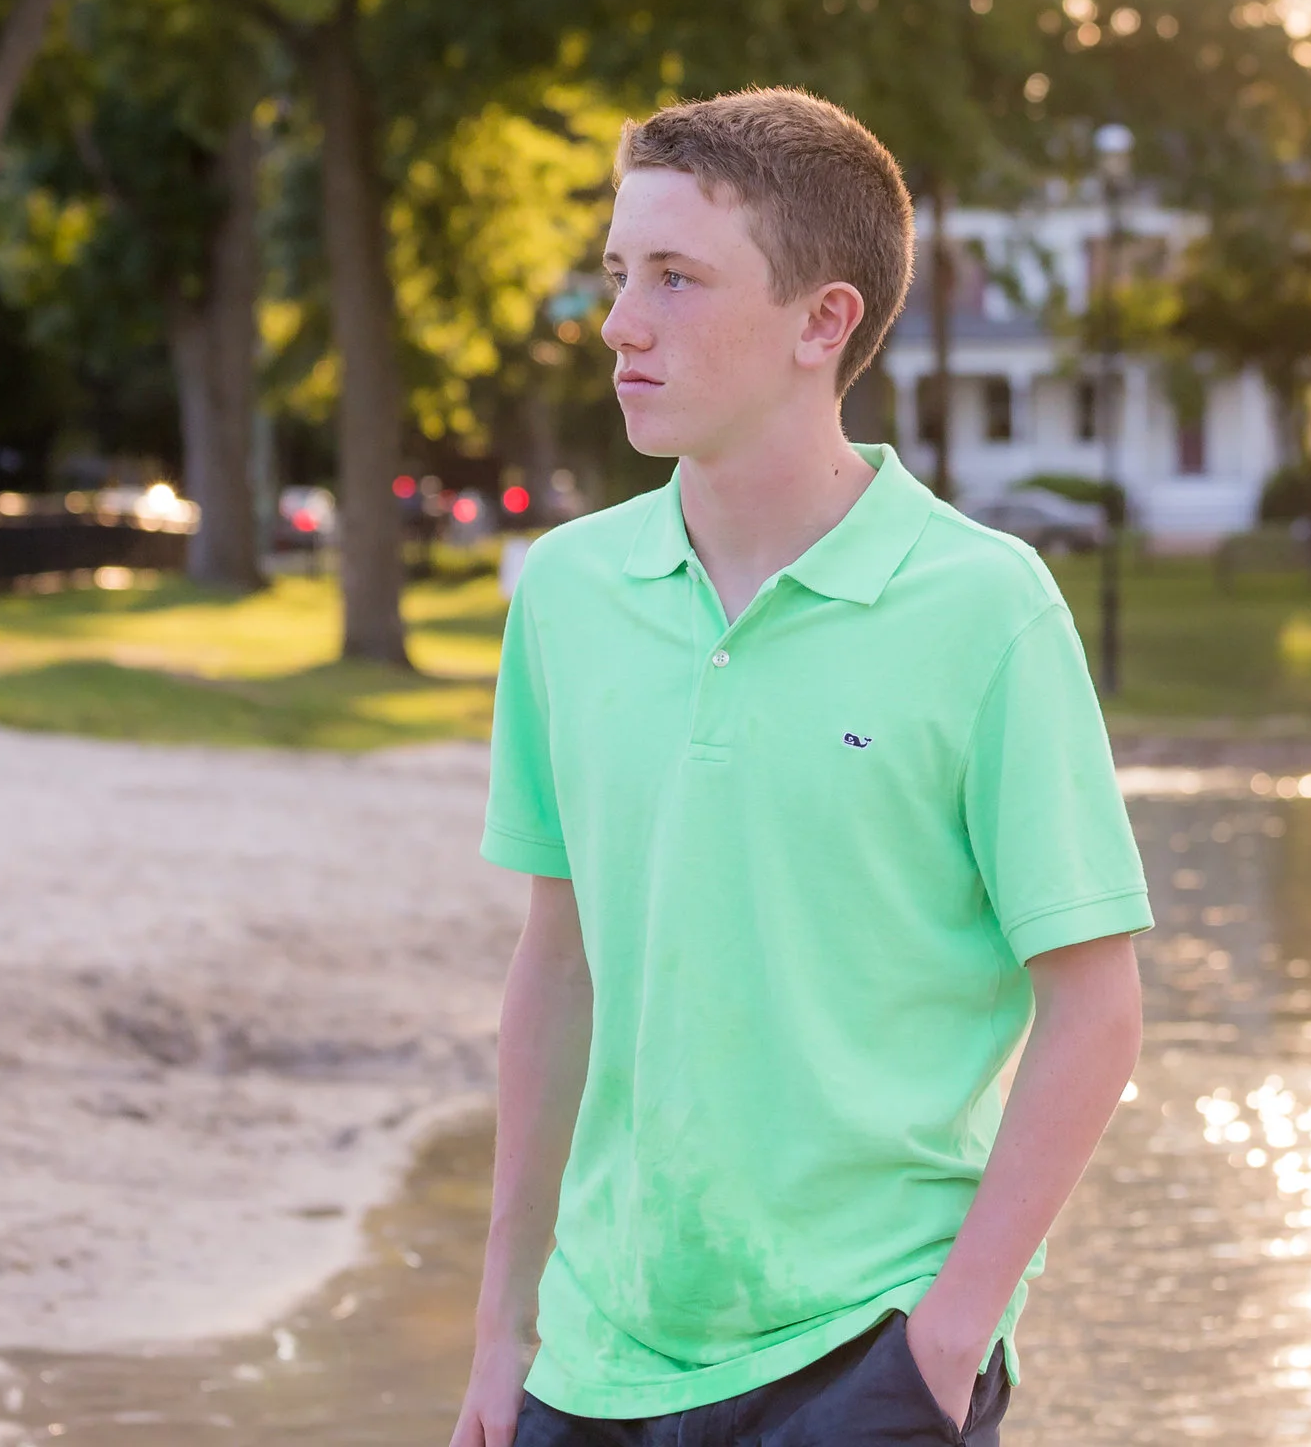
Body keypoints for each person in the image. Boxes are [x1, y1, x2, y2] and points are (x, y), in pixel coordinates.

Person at [450, 88, 1151, 1447]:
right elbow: (559, 964)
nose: (621, 323)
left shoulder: (985, 607)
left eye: (676, 277)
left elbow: (1094, 1005)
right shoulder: (568, 593)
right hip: (590, 1358)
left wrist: (950, 1336)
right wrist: (502, 1327)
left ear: (822, 322)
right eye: (618, 273)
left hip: (865, 1353)